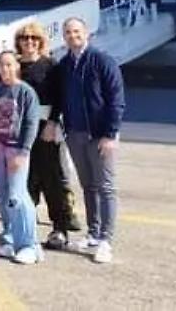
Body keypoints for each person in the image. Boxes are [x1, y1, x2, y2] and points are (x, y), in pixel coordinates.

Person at [48, 16, 125, 264]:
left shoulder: (102, 61)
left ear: (87, 33)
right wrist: (57, 123)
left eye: (77, 31)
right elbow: (60, 98)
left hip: (100, 135)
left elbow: (116, 99)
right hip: (76, 133)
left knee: (106, 187)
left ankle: (106, 240)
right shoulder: (64, 65)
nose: (73, 36)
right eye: (68, 32)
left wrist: (110, 134)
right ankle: (93, 233)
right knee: (88, 186)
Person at [15, 22, 81, 250]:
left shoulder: (51, 65)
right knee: (26, 179)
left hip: (45, 127)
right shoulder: (13, 66)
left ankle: (59, 228)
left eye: (34, 38)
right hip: (20, 129)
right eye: (25, 38)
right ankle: (27, 226)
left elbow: (60, 97)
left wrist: (53, 123)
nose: (29, 42)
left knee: (52, 179)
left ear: (41, 41)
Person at [0, 49, 43, 264]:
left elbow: (31, 123)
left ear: (17, 66)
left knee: (17, 196)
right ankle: (11, 236)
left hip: (16, 148)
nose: (5, 69)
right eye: (1, 65)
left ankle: (29, 244)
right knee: (1, 193)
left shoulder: (26, 92)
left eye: (9, 65)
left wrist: (24, 151)